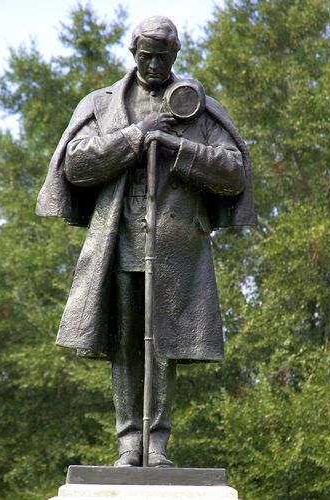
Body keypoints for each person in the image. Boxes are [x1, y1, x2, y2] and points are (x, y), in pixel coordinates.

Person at [36, 16, 256, 467]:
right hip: (120, 240)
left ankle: (156, 444)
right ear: (133, 53)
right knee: (125, 345)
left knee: (162, 347)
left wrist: (178, 147)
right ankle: (127, 443)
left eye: (162, 56)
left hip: (176, 245)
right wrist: (137, 135)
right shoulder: (101, 105)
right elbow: (76, 164)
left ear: (176, 54)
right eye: (145, 56)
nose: (153, 65)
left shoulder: (198, 109)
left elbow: (233, 172)